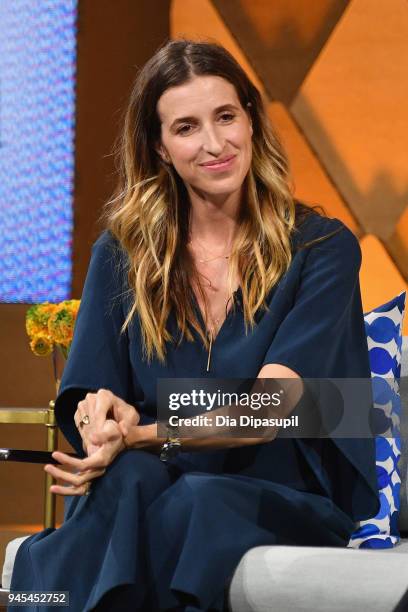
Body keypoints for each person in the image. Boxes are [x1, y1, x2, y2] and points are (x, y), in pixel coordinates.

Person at [9, 40, 380, 612]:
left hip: (276, 490)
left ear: (252, 120)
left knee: (191, 504)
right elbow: (89, 394)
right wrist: (103, 420)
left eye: (226, 117)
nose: (214, 145)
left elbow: (270, 412)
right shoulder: (123, 252)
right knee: (133, 482)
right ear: (159, 146)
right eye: (186, 127)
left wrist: (141, 432)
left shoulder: (321, 248)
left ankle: (45, 590)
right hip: (149, 480)